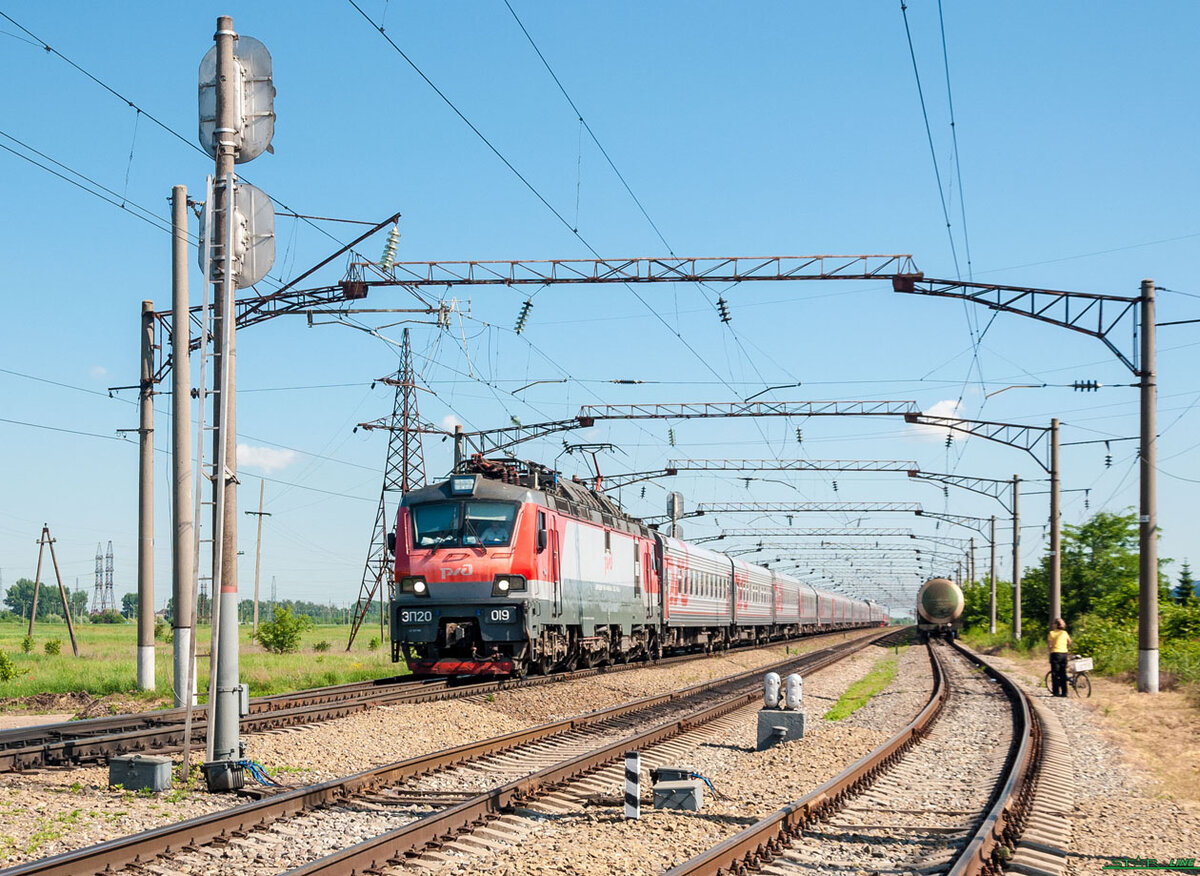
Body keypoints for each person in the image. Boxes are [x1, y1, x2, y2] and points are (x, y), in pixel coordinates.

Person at [1047, 618, 1072, 697]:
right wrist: (1065, 647)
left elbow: (1050, 645)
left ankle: (1056, 692)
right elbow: (1069, 641)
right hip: (1064, 654)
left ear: (1056, 625)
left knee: (1055, 674)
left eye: (1053, 624)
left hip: (1056, 654)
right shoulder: (1064, 633)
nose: (1052, 625)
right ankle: (1064, 693)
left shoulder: (1052, 633)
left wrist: (1050, 649)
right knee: (1063, 673)